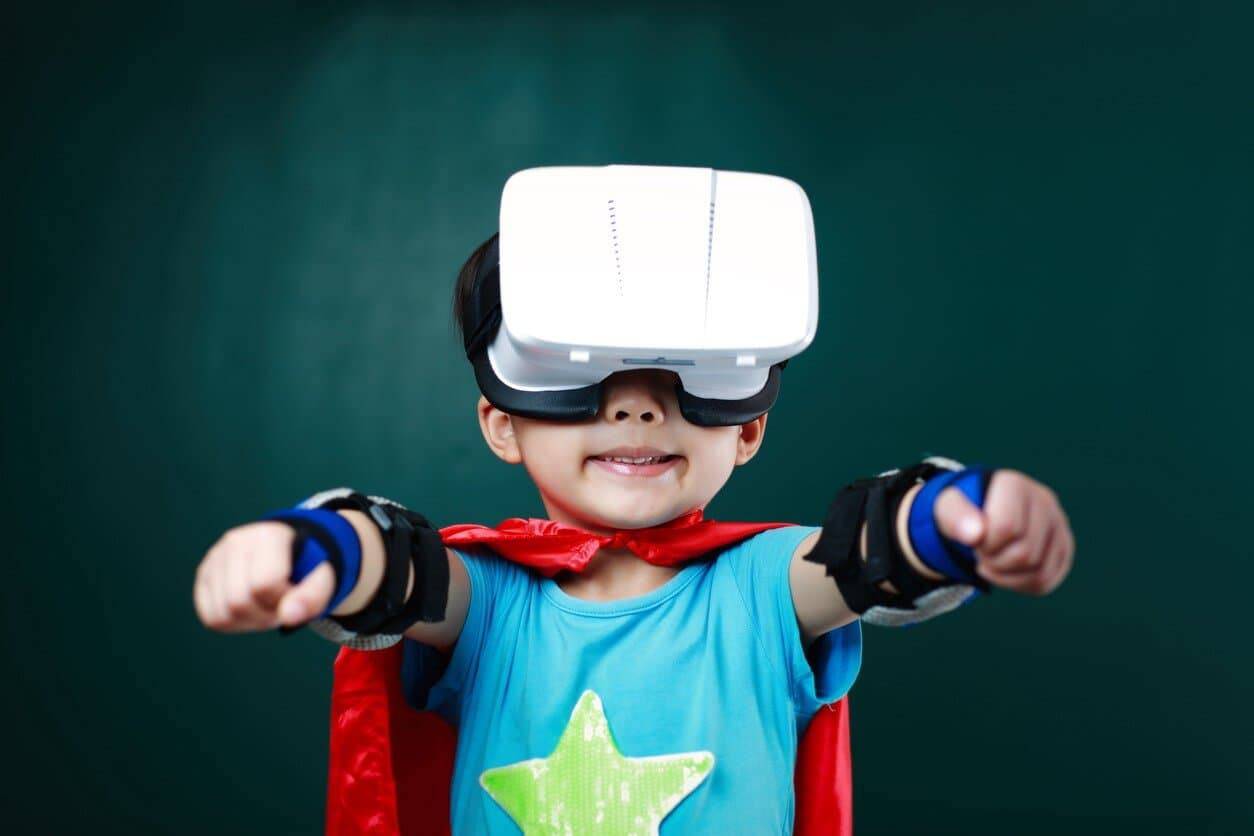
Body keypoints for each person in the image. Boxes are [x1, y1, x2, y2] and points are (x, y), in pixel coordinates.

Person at [193, 221, 1074, 834]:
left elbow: (865, 556)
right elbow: (401, 571)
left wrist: (951, 520)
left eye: (683, 372)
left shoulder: (761, 588)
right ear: (503, 424)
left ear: (748, 429)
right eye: (580, 369)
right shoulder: (492, 603)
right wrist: (316, 548)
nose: (637, 405)